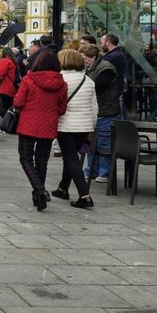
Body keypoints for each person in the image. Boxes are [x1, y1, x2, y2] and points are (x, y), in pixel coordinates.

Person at [13, 50, 68, 211]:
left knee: (25, 158)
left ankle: (39, 190)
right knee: (42, 161)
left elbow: (18, 102)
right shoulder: (62, 84)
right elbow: (62, 109)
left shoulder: (29, 80)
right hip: (48, 125)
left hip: (28, 124)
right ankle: (39, 195)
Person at [53, 49, 97, 208]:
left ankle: (84, 195)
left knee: (71, 158)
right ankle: (62, 188)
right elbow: (94, 107)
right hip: (84, 126)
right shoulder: (88, 81)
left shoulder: (60, 79)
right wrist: (92, 126)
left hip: (66, 125)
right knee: (70, 157)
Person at [81, 43, 121, 183]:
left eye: (85, 58)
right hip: (95, 111)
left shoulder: (106, 68)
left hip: (106, 111)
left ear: (93, 57)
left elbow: (99, 85)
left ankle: (104, 173)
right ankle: (91, 171)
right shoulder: (90, 68)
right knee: (91, 144)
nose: (83, 61)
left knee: (104, 143)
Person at [0, 47, 19, 118]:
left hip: (4, 89)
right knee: (8, 109)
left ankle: (7, 126)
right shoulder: (13, 61)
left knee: (3, 110)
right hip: (11, 89)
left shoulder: (5, 61)